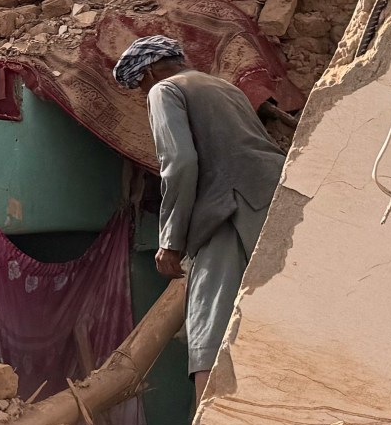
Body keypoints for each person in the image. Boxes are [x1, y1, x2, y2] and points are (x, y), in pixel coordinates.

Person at [115, 35, 286, 396]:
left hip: (231, 211)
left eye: (138, 87)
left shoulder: (165, 91)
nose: (142, 94)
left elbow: (179, 164)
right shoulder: (225, 88)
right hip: (277, 202)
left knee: (209, 323)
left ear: (147, 72)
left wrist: (171, 241)